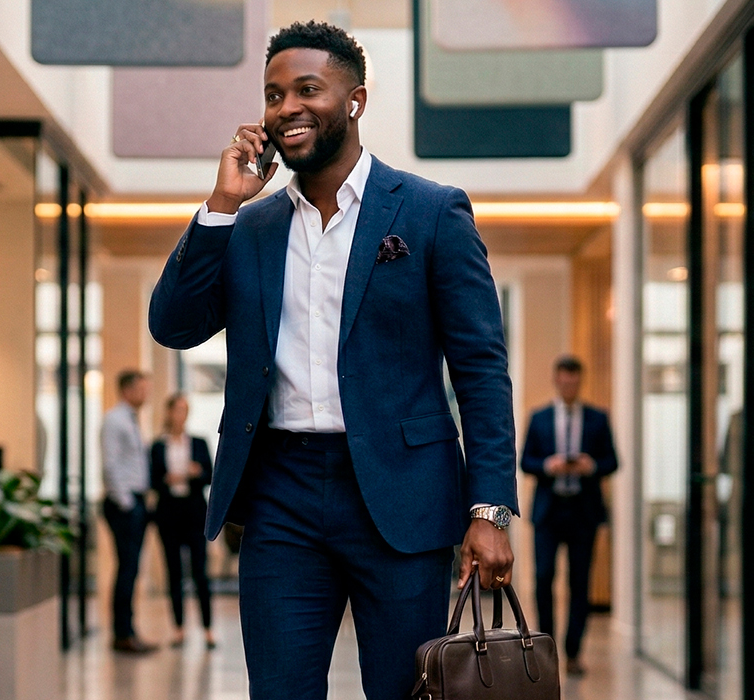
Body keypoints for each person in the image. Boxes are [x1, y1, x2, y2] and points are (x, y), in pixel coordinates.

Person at [148, 21, 517, 700]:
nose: (286, 106)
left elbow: (481, 370)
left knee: (401, 691)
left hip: (402, 497)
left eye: (307, 89)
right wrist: (223, 202)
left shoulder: (432, 213)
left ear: (355, 101)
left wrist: (488, 510)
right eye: (273, 93)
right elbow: (172, 326)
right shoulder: (250, 227)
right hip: (279, 496)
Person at [520, 355, 618, 676]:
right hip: (549, 511)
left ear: (580, 381)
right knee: (543, 577)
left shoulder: (597, 419)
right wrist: (548, 465)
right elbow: (526, 462)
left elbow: (612, 462)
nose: (569, 385)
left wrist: (592, 466)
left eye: (574, 380)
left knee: (580, 583)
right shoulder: (539, 418)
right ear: (556, 379)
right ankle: (546, 648)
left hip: (582, 511)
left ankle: (574, 651)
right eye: (564, 379)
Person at [150, 393, 216, 649]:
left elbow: (210, 474)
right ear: (169, 412)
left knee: (200, 571)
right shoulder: (158, 446)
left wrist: (195, 473)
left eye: (185, 409)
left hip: (194, 513)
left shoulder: (198, 443)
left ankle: (208, 628)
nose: (181, 414)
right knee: (174, 572)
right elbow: (153, 480)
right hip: (169, 513)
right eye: (177, 409)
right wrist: (167, 479)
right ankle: (178, 628)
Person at [101, 369, 158, 653]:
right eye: (142, 389)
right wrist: (126, 503)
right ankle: (122, 634)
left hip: (135, 502)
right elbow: (110, 465)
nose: (146, 394)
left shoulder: (131, 420)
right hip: (124, 504)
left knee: (132, 569)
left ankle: (128, 630)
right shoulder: (114, 420)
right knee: (127, 569)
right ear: (127, 390)